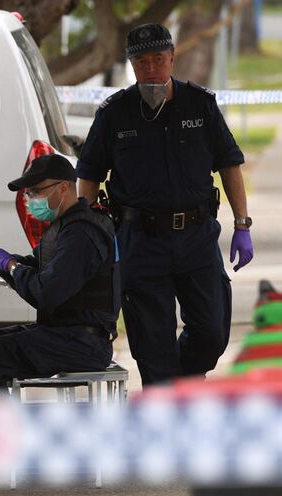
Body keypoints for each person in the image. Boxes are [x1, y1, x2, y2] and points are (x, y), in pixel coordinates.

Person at [75, 23, 253, 386]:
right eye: (142, 61)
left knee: (211, 334)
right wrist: (84, 233)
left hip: (197, 238)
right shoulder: (114, 113)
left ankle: (181, 388)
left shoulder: (200, 105)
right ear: (132, 65)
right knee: (153, 346)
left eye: (159, 59)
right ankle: (170, 406)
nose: (151, 68)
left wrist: (242, 224)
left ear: (172, 58)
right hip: (140, 241)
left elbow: (229, 163)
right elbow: (89, 175)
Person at [0, 154, 120, 390]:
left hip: (82, 343)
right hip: (64, 334)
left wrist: (11, 266)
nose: (29, 198)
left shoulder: (81, 234)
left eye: (35, 190)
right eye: (28, 193)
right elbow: (41, 268)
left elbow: (45, 293)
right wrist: (8, 262)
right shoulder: (66, 226)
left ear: (63, 188)